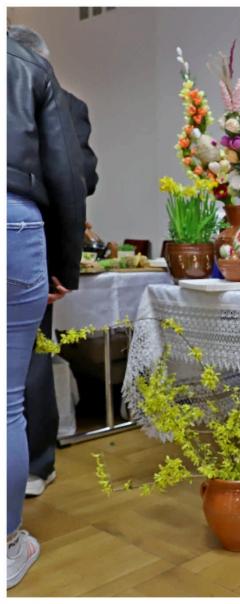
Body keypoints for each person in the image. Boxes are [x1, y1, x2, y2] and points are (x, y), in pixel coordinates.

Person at [7, 36, 86, 589]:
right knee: (5, 399)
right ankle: (7, 543)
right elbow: (66, 173)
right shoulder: (28, 64)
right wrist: (65, 265)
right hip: (13, 219)